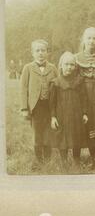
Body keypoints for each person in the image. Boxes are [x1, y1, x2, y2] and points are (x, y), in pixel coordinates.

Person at [20, 39, 58, 169]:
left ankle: (47, 159)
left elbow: (57, 85)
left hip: (49, 106)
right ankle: (38, 159)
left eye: (43, 50)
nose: (40, 53)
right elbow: (23, 88)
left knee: (48, 132)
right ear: (32, 53)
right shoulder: (28, 68)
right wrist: (24, 108)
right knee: (37, 132)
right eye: (37, 50)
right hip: (35, 107)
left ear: (48, 52)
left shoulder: (52, 68)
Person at [49, 52, 88, 170]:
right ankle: (64, 161)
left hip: (76, 115)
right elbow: (52, 102)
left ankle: (77, 160)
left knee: (77, 137)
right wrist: (53, 117)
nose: (69, 67)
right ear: (61, 65)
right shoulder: (56, 82)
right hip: (62, 115)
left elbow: (84, 98)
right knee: (62, 138)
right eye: (66, 64)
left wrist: (85, 113)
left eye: (72, 64)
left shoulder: (80, 82)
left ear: (75, 66)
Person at [75, 27, 95, 171]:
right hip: (83, 97)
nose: (92, 41)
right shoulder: (76, 58)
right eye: (89, 38)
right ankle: (91, 157)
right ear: (83, 39)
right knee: (86, 127)